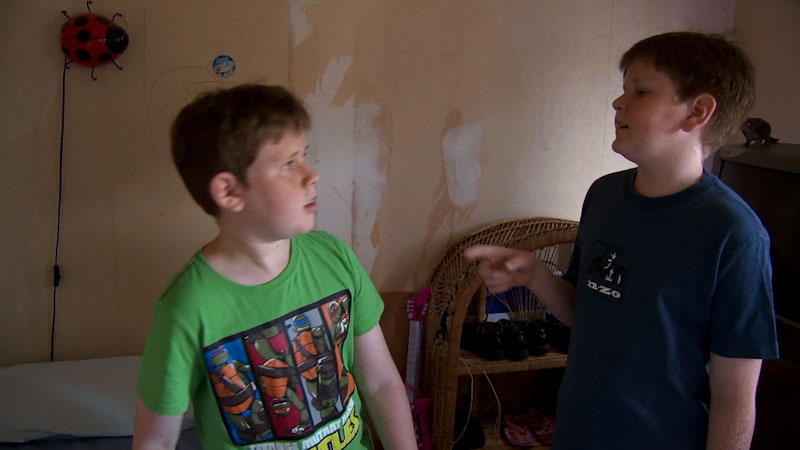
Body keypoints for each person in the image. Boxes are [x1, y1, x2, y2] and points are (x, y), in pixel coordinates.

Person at [465, 31, 779, 450]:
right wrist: (536, 274)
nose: (618, 102)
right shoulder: (605, 195)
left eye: (642, 90)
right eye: (623, 88)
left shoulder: (734, 234)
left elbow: (734, 400)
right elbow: (587, 313)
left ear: (697, 111)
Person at [133, 84, 416, 450]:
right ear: (230, 192)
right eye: (287, 164)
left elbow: (380, 382)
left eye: (304, 156)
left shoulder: (335, 259)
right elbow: (155, 439)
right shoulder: (187, 307)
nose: (311, 175)